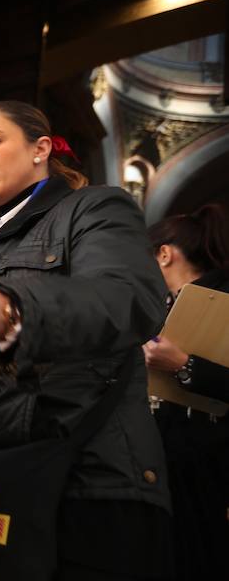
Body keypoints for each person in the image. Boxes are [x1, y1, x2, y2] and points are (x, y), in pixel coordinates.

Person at [0, 101, 172, 580]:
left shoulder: (97, 208)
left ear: (41, 148)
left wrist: (12, 314)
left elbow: (126, 298)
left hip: (88, 487)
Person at [144, 202, 229, 581]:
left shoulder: (220, 301)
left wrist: (183, 364)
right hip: (157, 461)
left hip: (206, 462)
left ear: (164, 254)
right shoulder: (156, 306)